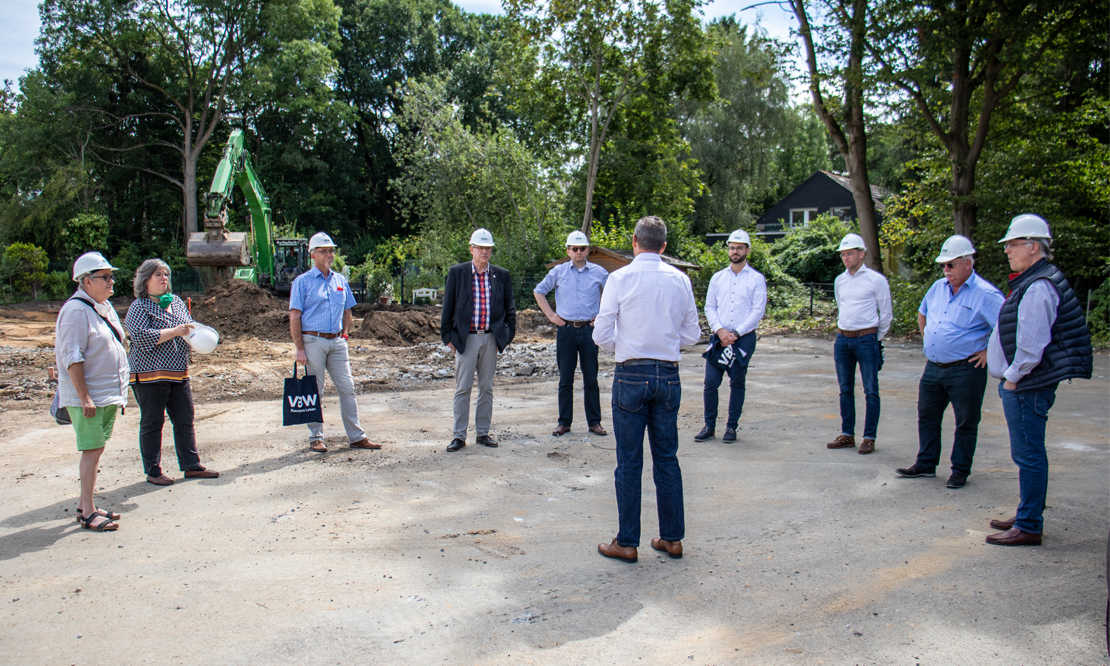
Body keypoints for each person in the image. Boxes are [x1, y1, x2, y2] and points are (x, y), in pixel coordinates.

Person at [593, 216, 701, 563]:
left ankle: (627, 541)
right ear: (664, 246)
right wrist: (665, 343)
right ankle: (672, 538)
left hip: (631, 373)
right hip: (668, 374)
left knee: (629, 461)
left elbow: (601, 333)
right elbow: (691, 335)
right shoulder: (680, 280)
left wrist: (625, 346)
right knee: (667, 457)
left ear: (635, 243)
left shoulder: (620, 278)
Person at [984, 214, 1092, 546]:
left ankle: (1030, 523)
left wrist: (1012, 379)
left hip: (1027, 384)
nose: (1007, 251)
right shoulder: (1037, 280)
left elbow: (1031, 345)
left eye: (1012, 244)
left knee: (1029, 453)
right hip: (1027, 383)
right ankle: (1027, 511)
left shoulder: (1038, 285)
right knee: (1028, 453)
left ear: (1033, 247)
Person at [894, 236, 1003, 489]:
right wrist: (928, 340)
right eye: (943, 265)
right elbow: (923, 313)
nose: (945, 271)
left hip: (966, 369)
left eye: (950, 265)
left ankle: (960, 470)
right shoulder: (937, 287)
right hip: (934, 368)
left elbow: (1006, 326)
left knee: (965, 422)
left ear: (967, 263)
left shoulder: (985, 294)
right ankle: (926, 464)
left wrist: (988, 352)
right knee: (927, 416)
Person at [124, 259, 219, 486]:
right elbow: (140, 337)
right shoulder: (140, 306)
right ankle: (153, 471)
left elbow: (189, 331)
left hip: (178, 372)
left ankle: (191, 465)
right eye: (158, 274)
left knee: (185, 419)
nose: (164, 278)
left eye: (166, 274)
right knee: (153, 423)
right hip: (149, 375)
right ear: (145, 280)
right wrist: (175, 331)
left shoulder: (176, 302)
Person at [54, 252, 129, 531]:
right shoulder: (76, 311)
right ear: (86, 281)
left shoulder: (101, 306)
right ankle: (87, 511)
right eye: (105, 277)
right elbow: (72, 356)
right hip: (90, 398)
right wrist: (84, 397)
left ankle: (89, 505)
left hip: (105, 395)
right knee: (92, 449)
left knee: (96, 450)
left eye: (112, 276)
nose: (112, 282)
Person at [289, 232, 378, 452]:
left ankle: (357, 436)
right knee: (315, 391)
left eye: (331, 251)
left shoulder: (340, 280)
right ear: (313, 255)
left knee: (348, 388)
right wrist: (299, 348)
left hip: (337, 342)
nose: (329, 255)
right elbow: (294, 316)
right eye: (324, 251)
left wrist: (345, 335)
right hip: (313, 341)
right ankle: (315, 438)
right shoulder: (302, 283)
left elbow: (348, 310)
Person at [441, 228, 517, 452]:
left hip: (490, 339)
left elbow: (510, 310)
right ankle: (459, 436)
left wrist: (504, 337)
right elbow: (448, 308)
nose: (484, 252)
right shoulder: (458, 272)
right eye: (480, 247)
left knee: (487, 388)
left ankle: (483, 433)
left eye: (488, 248)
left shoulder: (501, 275)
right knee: (462, 389)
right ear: (471, 248)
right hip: (467, 339)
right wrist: (448, 337)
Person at [533, 230, 609, 437]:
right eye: (574, 248)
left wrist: (602, 316)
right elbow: (539, 291)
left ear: (587, 250)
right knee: (565, 378)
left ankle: (594, 422)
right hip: (566, 330)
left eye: (582, 248)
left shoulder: (599, 273)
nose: (578, 252)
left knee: (591, 377)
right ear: (568, 250)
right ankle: (564, 422)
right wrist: (550, 315)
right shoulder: (558, 272)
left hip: (589, 331)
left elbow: (614, 294)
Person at [695, 229, 766, 444]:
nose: (735, 251)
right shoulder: (718, 278)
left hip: (742, 340)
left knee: (736, 383)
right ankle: (709, 426)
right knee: (710, 383)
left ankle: (731, 427)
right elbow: (709, 306)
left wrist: (736, 333)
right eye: (732, 248)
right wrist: (720, 331)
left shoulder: (756, 279)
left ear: (747, 250)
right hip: (719, 338)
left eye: (739, 248)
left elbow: (758, 311)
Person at [826, 233, 892, 455]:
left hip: (866, 338)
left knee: (871, 389)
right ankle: (847, 434)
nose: (846, 258)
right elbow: (840, 305)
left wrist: (875, 337)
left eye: (850, 253)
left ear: (861, 254)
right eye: (843, 254)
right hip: (843, 339)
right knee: (845, 389)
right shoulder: (840, 281)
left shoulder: (876, 280)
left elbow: (886, 314)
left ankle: (869, 437)